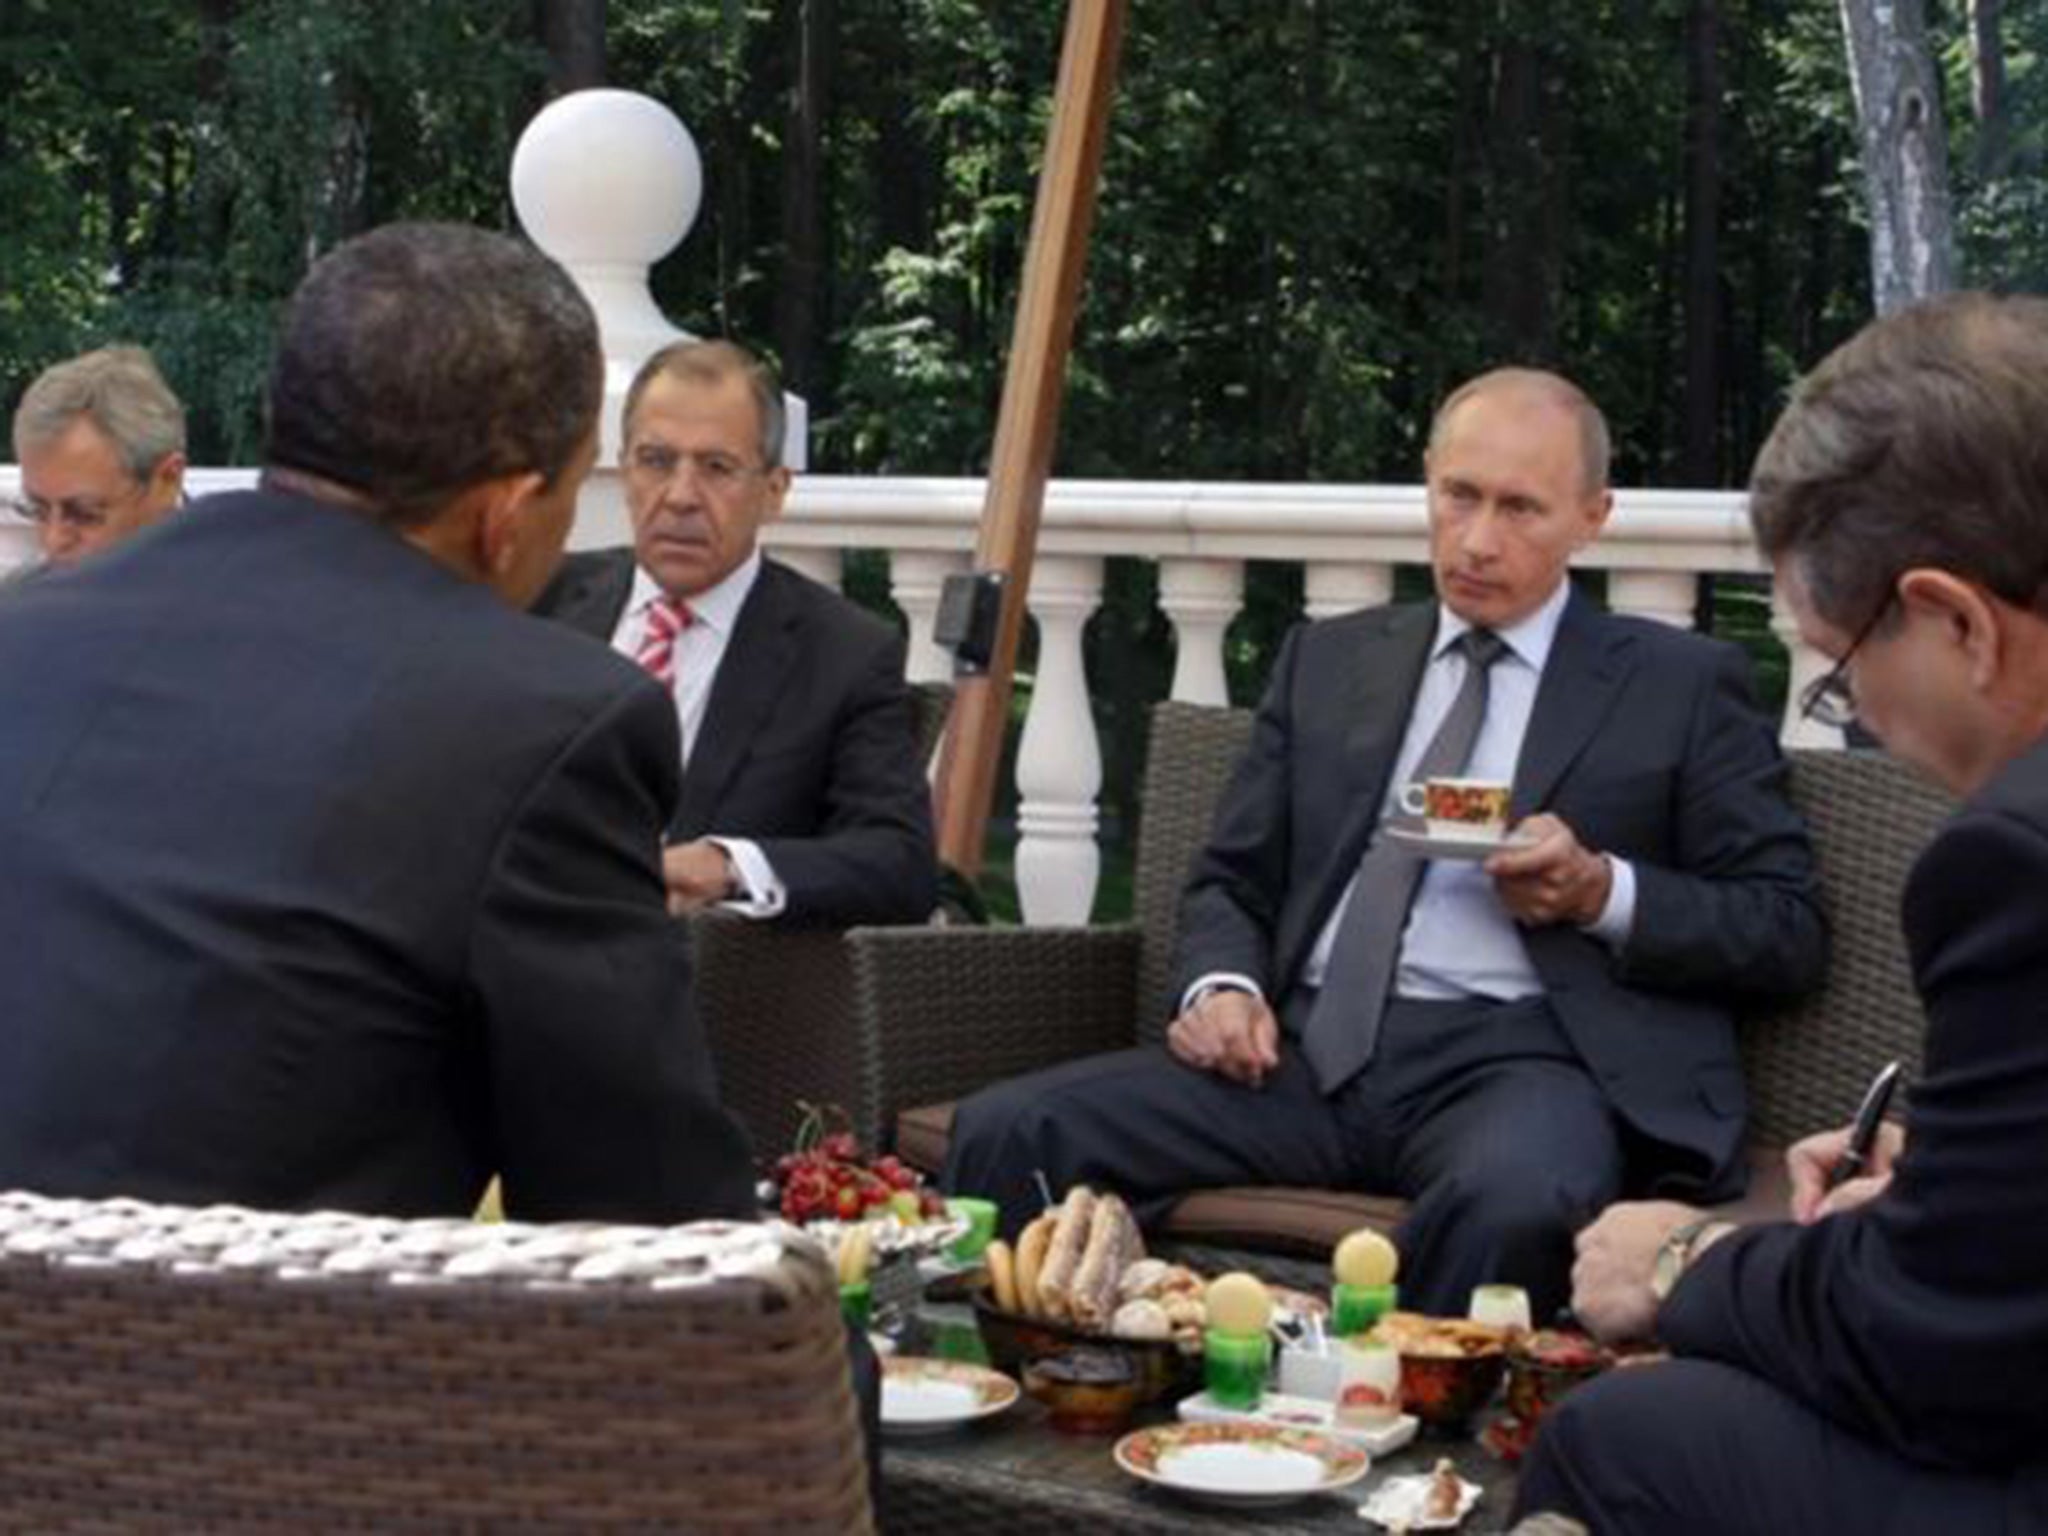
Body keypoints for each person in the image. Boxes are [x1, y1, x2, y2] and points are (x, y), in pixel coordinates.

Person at [943, 368, 1826, 1319]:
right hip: (1303, 1053)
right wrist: (1223, 986)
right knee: (1012, 1130)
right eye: (1460, 496)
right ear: (1429, 484)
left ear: (1592, 517)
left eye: (1522, 508)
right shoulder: (1329, 661)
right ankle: (1032, 1406)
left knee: (1515, 1204)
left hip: (1522, 1065)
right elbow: (1232, 878)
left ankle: (1392, 1440)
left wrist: (1600, 892)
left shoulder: (1679, 685)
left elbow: (1783, 927)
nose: (1479, 540)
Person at [0, 222, 756, 1226]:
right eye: (577, 495)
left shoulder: (26, 635)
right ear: (508, 511)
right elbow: (651, 1231)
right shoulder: (544, 725)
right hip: (275, 1356)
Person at [1518, 293, 2048, 1532]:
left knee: (1621, 1434)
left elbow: (1939, 1355)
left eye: (1842, 674)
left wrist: (1685, 1261)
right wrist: (1951, 1192)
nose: (1860, 721)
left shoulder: (2012, 855)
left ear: (1956, 622)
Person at [534, 339, 936, 928]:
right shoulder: (543, 600)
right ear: (624, 472)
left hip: (686, 986)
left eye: (716, 468)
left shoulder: (843, 654)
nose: (680, 497)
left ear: (774, 491)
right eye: (656, 460)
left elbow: (899, 864)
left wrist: (729, 865)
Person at [7, 344, 186, 568]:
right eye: (37, 510)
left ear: (167, 480)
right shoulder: (22, 595)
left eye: (84, 514)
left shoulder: (231, 589)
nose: (53, 541)